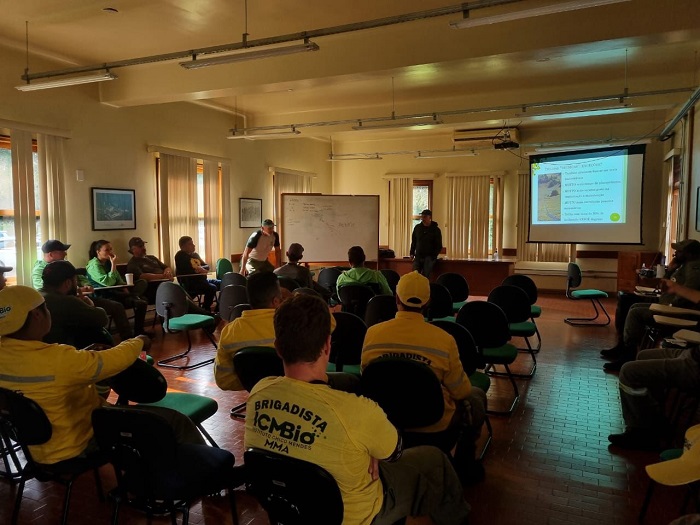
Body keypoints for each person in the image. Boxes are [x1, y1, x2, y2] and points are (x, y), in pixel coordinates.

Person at [245, 293, 470, 525]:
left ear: (278, 348)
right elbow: (394, 453)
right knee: (435, 460)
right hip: (358, 515)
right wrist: (369, 447)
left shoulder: (257, 394)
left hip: (290, 507)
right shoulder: (358, 412)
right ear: (327, 346)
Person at [361, 270, 486, 483]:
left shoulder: (372, 333)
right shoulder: (444, 340)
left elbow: (368, 378)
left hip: (384, 424)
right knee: (475, 396)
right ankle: (465, 466)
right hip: (433, 429)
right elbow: (461, 391)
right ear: (427, 302)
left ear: (397, 299)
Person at [608, 279, 700, 450]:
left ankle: (641, 432)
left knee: (629, 371)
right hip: (691, 354)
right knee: (643, 355)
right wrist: (675, 287)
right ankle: (654, 418)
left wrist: (676, 288)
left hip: (695, 365)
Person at [603, 239, 700, 372]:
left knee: (635, 312)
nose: (675, 253)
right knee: (631, 303)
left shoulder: (695, 268)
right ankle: (622, 346)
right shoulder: (684, 265)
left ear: (690, 253)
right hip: (665, 304)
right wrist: (670, 270)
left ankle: (628, 354)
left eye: (679, 251)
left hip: (676, 311)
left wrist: (670, 307)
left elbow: (687, 296)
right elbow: (664, 287)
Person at [32, 239, 134, 342]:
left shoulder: (64, 264)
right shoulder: (40, 270)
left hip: (79, 297)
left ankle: (127, 339)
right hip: (70, 301)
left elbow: (79, 277)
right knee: (98, 321)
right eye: (62, 251)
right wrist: (80, 294)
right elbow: (45, 288)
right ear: (51, 254)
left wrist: (86, 285)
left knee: (116, 306)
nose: (65, 253)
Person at [126, 236, 213, 318]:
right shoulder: (133, 263)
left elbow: (167, 267)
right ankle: (204, 315)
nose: (143, 247)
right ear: (133, 249)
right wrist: (162, 276)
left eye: (143, 245)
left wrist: (167, 272)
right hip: (154, 290)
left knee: (183, 295)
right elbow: (143, 276)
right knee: (181, 297)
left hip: (167, 285)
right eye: (140, 246)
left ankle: (202, 316)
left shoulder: (151, 258)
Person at [86, 239, 152, 338]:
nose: (110, 253)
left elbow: (118, 280)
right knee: (119, 306)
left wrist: (125, 287)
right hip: (102, 295)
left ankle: (139, 332)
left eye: (111, 249)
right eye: (107, 250)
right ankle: (127, 338)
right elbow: (108, 283)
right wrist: (113, 265)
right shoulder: (93, 265)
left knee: (142, 301)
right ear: (98, 252)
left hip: (115, 292)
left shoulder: (108, 262)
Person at [39, 260, 112, 348]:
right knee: (97, 332)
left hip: (34, 352)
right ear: (68, 283)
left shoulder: (36, 295)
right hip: (59, 354)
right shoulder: (66, 301)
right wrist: (88, 305)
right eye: (75, 280)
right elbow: (102, 319)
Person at [174, 235, 219, 312]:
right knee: (212, 288)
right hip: (191, 283)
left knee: (223, 283)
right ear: (183, 246)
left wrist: (202, 269)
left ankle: (218, 308)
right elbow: (186, 270)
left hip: (203, 281)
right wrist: (198, 270)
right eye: (190, 244)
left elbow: (207, 266)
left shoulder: (195, 255)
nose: (194, 245)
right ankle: (206, 309)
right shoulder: (180, 256)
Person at [410, 209, 442, 278]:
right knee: (414, 275)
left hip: (429, 257)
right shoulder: (417, 228)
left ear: (429, 217)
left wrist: (434, 255)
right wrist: (412, 253)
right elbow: (414, 241)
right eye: (422, 217)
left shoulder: (436, 230)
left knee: (425, 276)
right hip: (418, 256)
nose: (423, 218)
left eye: (425, 217)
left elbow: (439, 245)